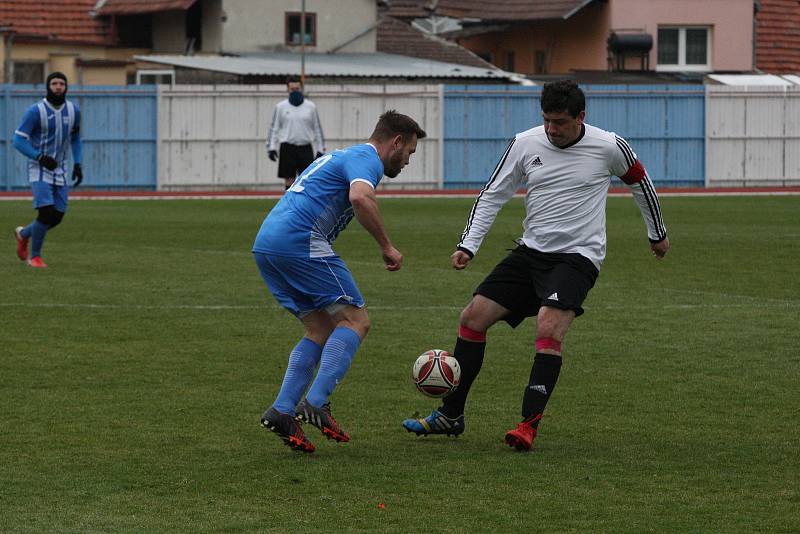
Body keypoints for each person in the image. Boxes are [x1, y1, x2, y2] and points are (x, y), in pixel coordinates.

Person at [402, 80, 669, 452]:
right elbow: (493, 193)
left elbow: (640, 182)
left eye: (559, 122)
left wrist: (657, 232)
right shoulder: (525, 143)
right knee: (472, 317)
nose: (551, 129)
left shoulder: (608, 146)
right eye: (546, 120)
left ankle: (527, 425)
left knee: (548, 327)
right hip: (530, 253)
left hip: (578, 257)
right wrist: (469, 244)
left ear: (581, 117)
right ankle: (451, 415)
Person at [254, 110, 426, 453]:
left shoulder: (340, 155)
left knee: (319, 328)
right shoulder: (367, 158)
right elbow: (360, 198)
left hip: (268, 244)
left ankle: (283, 410)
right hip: (300, 241)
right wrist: (387, 247)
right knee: (356, 320)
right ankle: (316, 402)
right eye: (409, 152)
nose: (407, 161)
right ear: (396, 142)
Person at [12, 71, 83, 269]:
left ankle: (24, 234)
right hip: (39, 168)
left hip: (61, 168)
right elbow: (17, 140)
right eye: (54, 83)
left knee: (57, 217)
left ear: (66, 87)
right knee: (45, 213)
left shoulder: (74, 111)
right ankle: (35, 257)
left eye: (62, 83)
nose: (58, 87)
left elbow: (76, 139)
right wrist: (40, 157)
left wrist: (78, 163)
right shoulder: (35, 111)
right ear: (48, 87)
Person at [266, 76, 326, 190]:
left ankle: (306, 207)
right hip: (288, 148)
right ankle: (289, 206)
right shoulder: (280, 107)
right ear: (287, 89)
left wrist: (320, 149)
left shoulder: (310, 107)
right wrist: (271, 147)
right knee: (289, 180)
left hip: (305, 148)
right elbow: (274, 128)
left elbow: (317, 128)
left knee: (307, 180)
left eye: (297, 88)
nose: (295, 91)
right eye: (292, 89)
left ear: (301, 89)